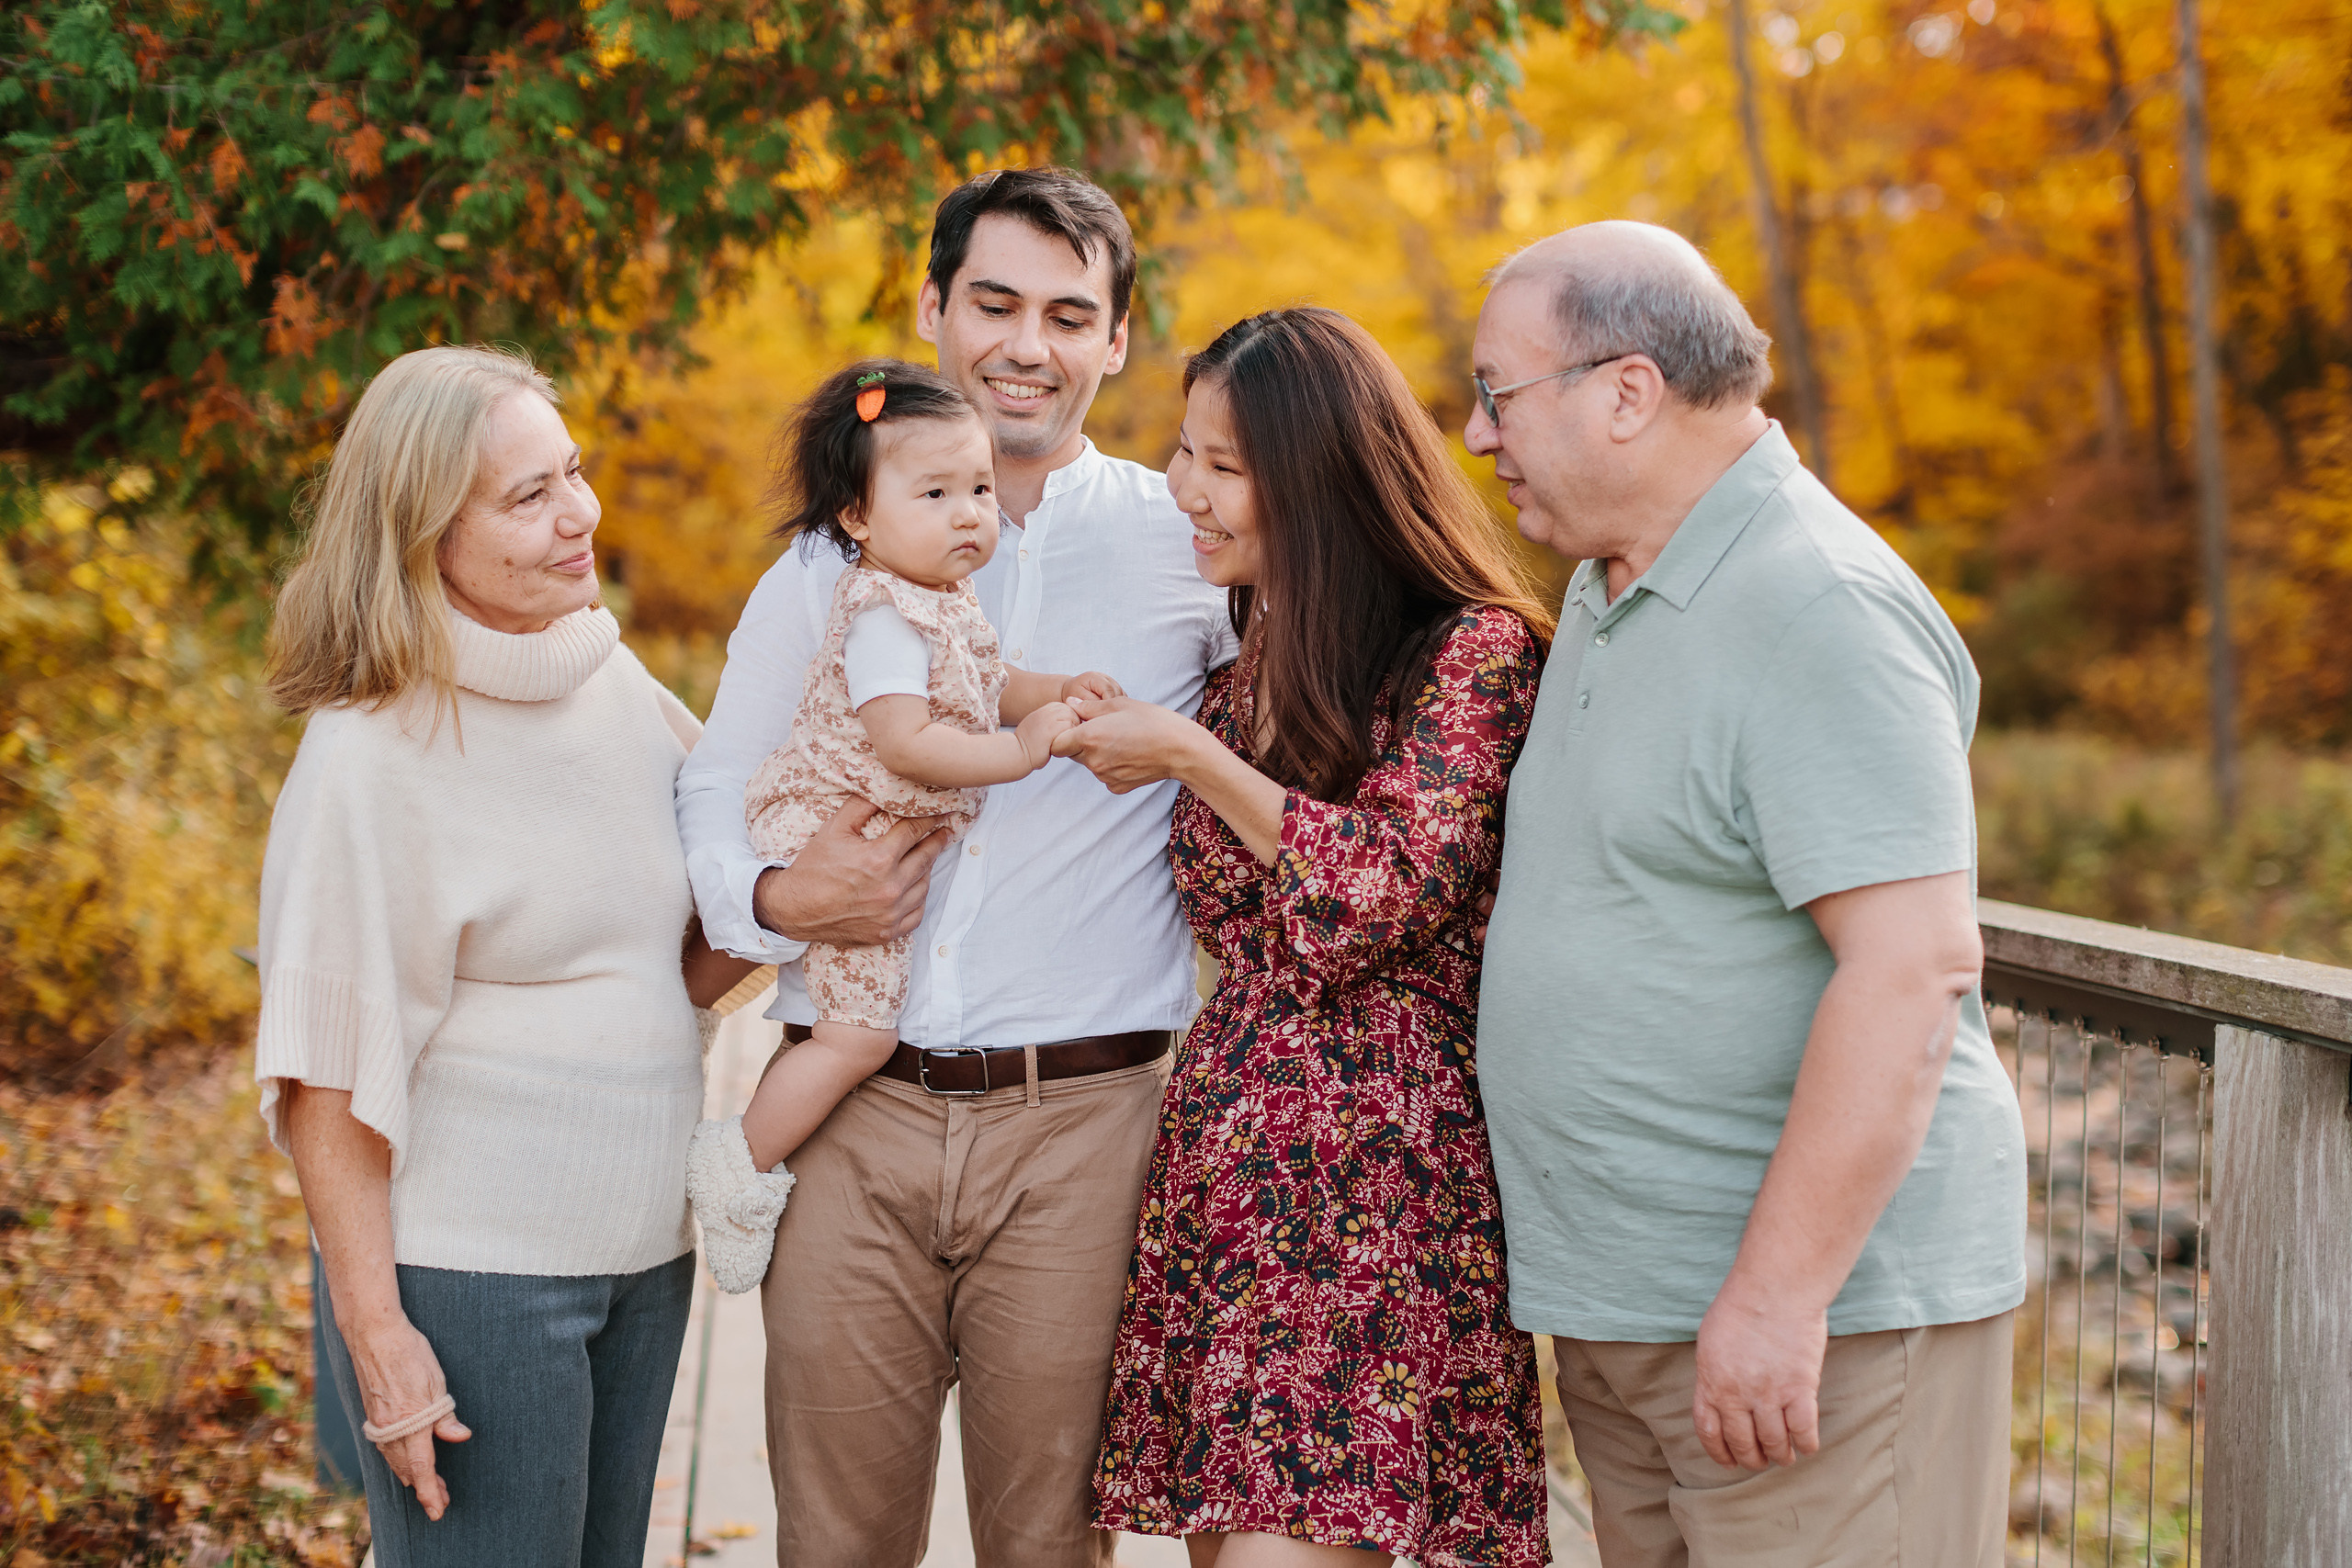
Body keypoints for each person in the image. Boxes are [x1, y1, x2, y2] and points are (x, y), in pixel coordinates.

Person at [673, 166, 1235, 1565]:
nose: (1024, 345)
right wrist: (778, 901)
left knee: (1050, 1540)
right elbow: (712, 781)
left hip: (1085, 1121)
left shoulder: (1194, 547)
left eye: (1067, 313)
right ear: (933, 310)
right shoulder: (825, 562)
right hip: (854, 1114)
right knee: (836, 1537)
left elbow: (1310, 733)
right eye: (992, 303)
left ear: (1116, 339)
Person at [1468, 220, 2028, 1565]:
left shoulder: (1817, 604)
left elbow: (1911, 965)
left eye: (1496, 392)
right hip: (1633, 1317)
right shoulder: (1613, 589)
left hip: (1803, 1336)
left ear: (1626, 390)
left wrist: (1777, 1301)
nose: (1477, 435)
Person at [1056, 307, 1555, 1568]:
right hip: (1230, 1192)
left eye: (1222, 464)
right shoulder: (1251, 654)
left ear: (1319, 482)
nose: (1186, 489)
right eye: (1184, 452)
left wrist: (1190, 756)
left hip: (1373, 1201)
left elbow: (1377, 888)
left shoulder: (1468, 655)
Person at [255, 345, 754, 1565]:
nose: (578, 513)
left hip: (646, 1257)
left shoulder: (613, 682)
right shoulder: (369, 750)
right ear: (425, 530)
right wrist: (380, 1338)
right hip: (478, 1275)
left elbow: (681, 951)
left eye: (571, 472)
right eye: (526, 495)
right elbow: (325, 1076)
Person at [684, 358, 1118, 1291]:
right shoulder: (882, 613)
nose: (970, 513)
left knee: (861, 1024)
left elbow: (989, 687)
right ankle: (737, 1163)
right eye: (935, 492)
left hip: (877, 837)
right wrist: (1026, 750)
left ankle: (743, 1153)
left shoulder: (941, 603)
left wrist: (1054, 691)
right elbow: (911, 741)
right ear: (857, 517)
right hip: (833, 837)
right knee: (859, 1037)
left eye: (976, 488)